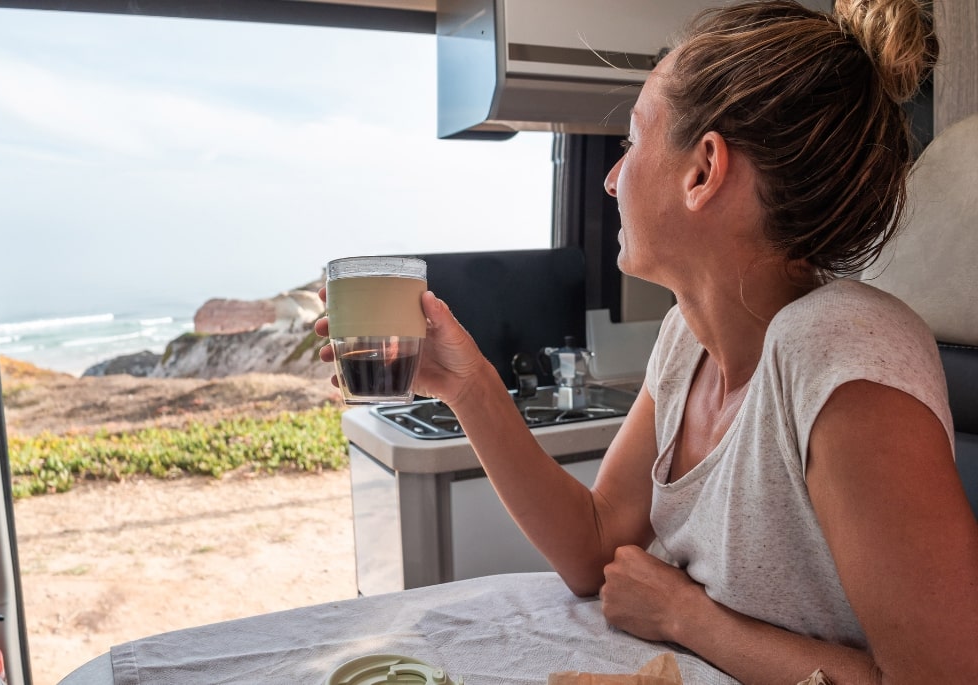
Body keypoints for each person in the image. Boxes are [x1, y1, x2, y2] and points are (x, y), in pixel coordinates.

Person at [318, 0, 978, 681]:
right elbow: (593, 548)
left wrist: (687, 617)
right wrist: (466, 382)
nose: (610, 177)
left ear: (703, 171)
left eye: (632, 142)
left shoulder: (842, 356)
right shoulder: (685, 341)